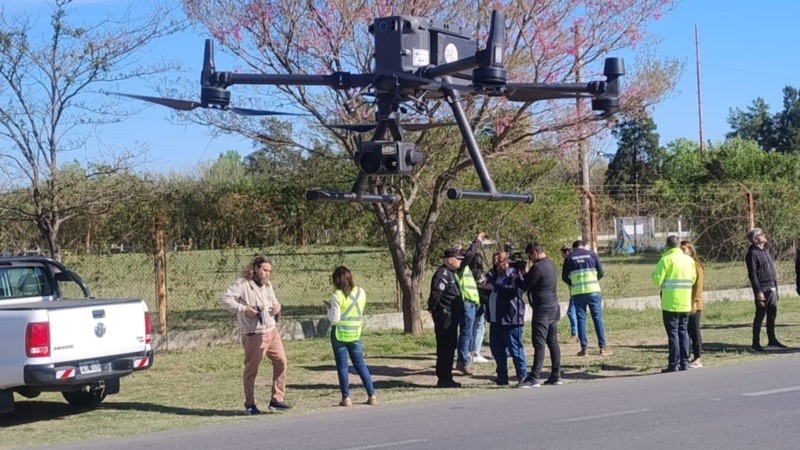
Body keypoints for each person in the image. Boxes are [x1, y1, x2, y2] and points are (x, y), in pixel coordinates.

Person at [218, 255, 290, 414]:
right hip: (254, 333)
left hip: (271, 330)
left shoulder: (267, 285)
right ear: (256, 268)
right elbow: (224, 299)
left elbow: (274, 301)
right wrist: (243, 309)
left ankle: (277, 399)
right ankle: (250, 404)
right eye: (264, 270)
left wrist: (277, 307)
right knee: (251, 369)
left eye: (269, 271)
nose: (267, 274)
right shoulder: (242, 284)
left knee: (282, 361)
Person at [324, 266, 377, 407]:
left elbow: (334, 319)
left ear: (336, 280)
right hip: (355, 333)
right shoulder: (361, 292)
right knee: (360, 364)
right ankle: (372, 395)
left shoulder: (337, 295)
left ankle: (346, 398)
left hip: (339, 334)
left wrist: (328, 309)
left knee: (342, 366)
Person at [516, 242, 562, 387]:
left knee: (539, 343)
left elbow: (525, 285)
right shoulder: (551, 264)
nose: (530, 259)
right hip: (553, 306)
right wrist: (526, 274)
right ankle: (556, 374)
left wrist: (517, 276)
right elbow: (535, 282)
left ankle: (534, 376)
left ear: (535, 253)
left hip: (542, 309)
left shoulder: (538, 267)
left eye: (530, 256)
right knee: (552, 341)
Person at [482, 251, 527, 386]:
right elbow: (486, 288)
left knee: (515, 349)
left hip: (510, 319)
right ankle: (502, 377)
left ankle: (522, 376)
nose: (497, 263)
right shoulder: (494, 276)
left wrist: (495, 287)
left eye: (500, 261)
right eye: (496, 261)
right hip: (495, 319)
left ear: (508, 262)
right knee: (497, 350)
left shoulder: (515, 276)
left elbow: (513, 291)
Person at [652, 236, 696, 372]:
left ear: (667, 246)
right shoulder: (689, 260)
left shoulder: (665, 259)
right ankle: (685, 362)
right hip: (685, 302)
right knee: (683, 331)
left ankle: (673, 363)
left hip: (670, 302)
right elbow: (693, 279)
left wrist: (654, 274)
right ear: (678, 245)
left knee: (673, 333)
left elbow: (657, 280)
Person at [562, 240, 612, 356]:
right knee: (597, 318)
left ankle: (584, 349)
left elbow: (564, 277)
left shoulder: (569, 258)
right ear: (584, 246)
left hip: (578, 292)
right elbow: (601, 272)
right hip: (593, 290)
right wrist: (594, 280)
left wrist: (573, 283)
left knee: (581, 319)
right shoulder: (592, 255)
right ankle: (603, 347)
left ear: (574, 248)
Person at [427, 246, 466, 388]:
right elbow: (436, 293)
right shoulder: (443, 273)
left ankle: (447, 377)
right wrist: (433, 308)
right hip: (445, 317)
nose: (460, 261)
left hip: (451, 316)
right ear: (450, 260)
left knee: (450, 347)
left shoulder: (451, 273)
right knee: (445, 348)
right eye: (458, 259)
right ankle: (444, 378)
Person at [745, 228, 787, 351]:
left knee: (772, 314)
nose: (764, 235)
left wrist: (776, 288)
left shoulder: (765, 251)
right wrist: (758, 291)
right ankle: (755, 343)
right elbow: (752, 274)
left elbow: (771, 270)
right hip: (763, 288)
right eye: (761, 234)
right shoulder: (752, 253)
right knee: (760, 315)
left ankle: (772, 339)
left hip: (772, 286)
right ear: (755, 239)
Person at [454, 232, 486, 376]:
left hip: (472, 304)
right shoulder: (460, 267)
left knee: (469, 333)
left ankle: (463, 359)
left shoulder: (466, 269)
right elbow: (469, 255)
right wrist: (476, 241)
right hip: (467, 304)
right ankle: (462, 361)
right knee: (466, 333)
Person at [681, 240, 704, 368]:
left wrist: (694, 302)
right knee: (686, 331)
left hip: (694, 303)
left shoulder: (696, 266)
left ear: (690, 250)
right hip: (683, 303)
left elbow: (698, 286)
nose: (681, 252)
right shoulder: (683, 265)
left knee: (694, 329)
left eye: (684, 249)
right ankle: (687, 356)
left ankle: (697, 357)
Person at [468, 253, 491, 363]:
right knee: (479, 327)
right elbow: (484, 285)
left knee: (470, 328)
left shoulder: (466, 272)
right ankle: (475, 352)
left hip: (469, 302)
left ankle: (468, 352)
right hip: (480, 303)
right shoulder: (479, 273)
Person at [560, 245, 578, 343]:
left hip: (575, 291)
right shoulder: (575, 260)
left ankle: (575, 334)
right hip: (577, 290)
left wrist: (572, 283)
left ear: (565, 252)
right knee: (577, 312)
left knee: (571, 312)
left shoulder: (568, 260)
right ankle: (578, 334)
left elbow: (564, 277)